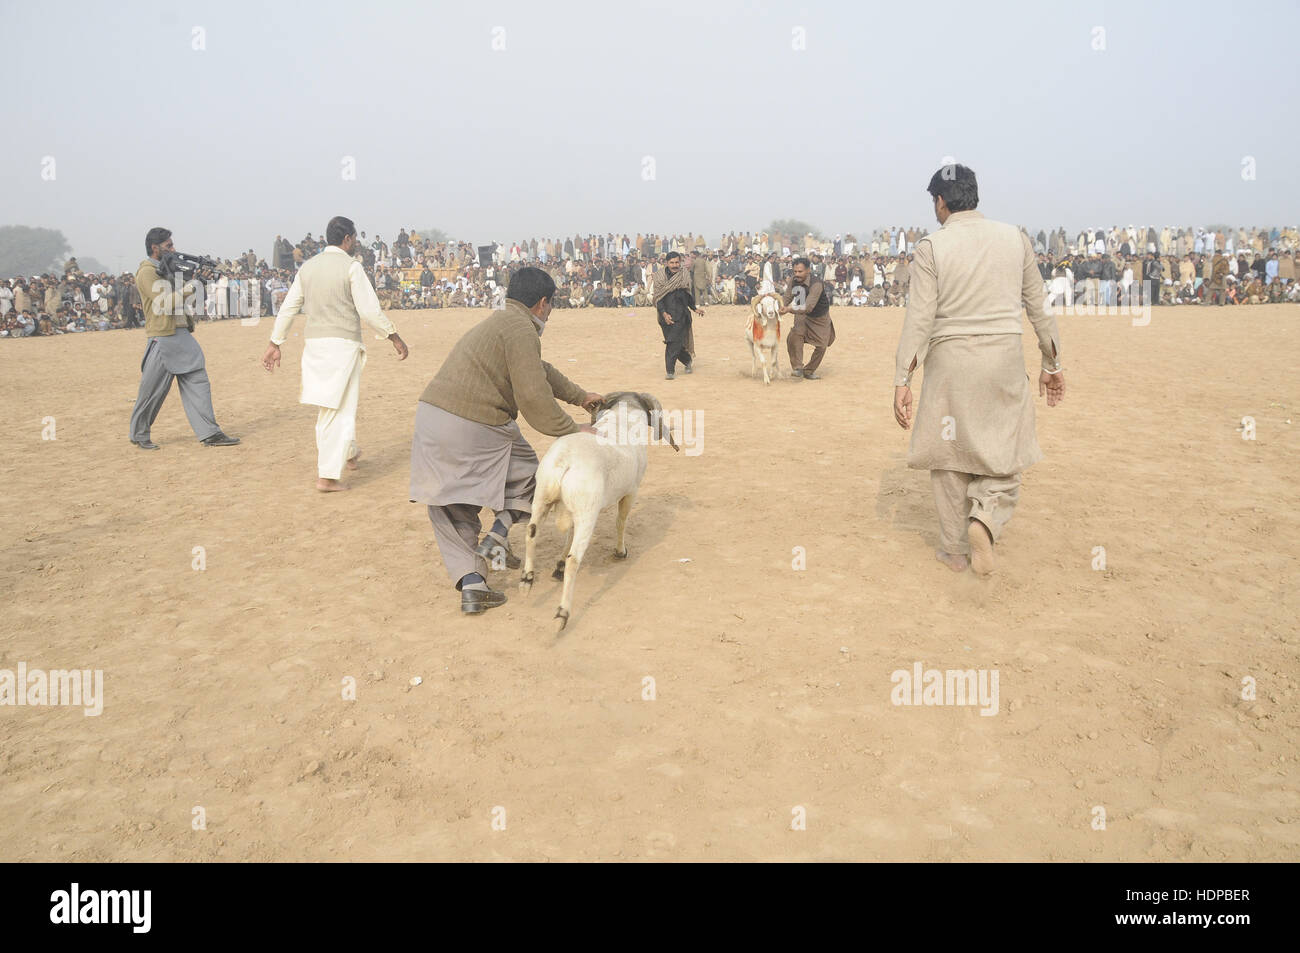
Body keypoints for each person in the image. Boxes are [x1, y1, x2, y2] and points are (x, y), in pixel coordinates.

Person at [892, 164, 1063, 576]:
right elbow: (1039, 307)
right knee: (1005, 450)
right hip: (1003, 358)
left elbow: (920, 317)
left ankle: (953, 550)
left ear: (940, 201)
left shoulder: (931, 246)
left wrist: (903, 379)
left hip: (950, 363)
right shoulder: (1015, 239)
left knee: (949, 455)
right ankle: (984, 520)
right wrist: (1052, 362)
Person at [409, 267, 603, 615]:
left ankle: (474, 585)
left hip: (431, 420)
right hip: (475, 422)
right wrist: (574, 429)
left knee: (451, 506)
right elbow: (533, 397)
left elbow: (539, 371)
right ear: (543, 303)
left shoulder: (501, 321)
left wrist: (580, 396)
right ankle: (498, 533)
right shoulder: (521, 329)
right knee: (537, 479)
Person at [261, 216, 408, 492]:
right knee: (337, 409)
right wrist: (394, 336)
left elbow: (289, 307)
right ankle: (327, 477)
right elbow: (368, 310)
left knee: (332, 404)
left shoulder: (308, 268)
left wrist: (275, 342)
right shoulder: (351, 267)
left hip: (315, 346)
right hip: (342, 345)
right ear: (348, 239)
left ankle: (349, 453)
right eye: (355, 238)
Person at [128, 227, 239, 450]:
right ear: (154, 247)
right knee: (152, 392)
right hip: (163, 336)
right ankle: (139, 434)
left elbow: (183, 296)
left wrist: (198, 281)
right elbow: (165, 303)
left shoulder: (166, 268)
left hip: (181, 333)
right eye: (168, 245)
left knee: (198, 381)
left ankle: (210, 432)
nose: (173, 249)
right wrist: (192, 284)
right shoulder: (147, 272)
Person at [781, 257, 835, 380]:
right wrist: (778, 306)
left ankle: (809, 371)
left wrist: (789, 309)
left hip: (819, 317)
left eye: (800, 272)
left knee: (822, 346)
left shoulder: (816, 284)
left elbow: (809, 307)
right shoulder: (793, 281)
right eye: (795, 271)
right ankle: (798, 368)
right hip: (801, 314)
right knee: (794, 336)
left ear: (808, 270)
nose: (797, 274)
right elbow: (787, 297)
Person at [654, 251, 703, 380]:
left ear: (680, 262)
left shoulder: (684, 275)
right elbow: (658, 299)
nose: (675, 265)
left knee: (672, 342)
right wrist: (664, 314)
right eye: (672, 262)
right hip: (665, 316)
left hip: (682, 315)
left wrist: (694, 308)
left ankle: (670, 371)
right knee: (674, 343)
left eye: (677, 262)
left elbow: (687, 295)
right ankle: (687, 360)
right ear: (666, 263)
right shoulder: (659, 277)